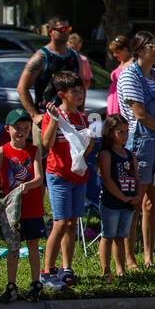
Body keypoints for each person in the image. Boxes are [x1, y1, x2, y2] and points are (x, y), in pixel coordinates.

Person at [116, 31, 155, 268]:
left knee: (152, 204)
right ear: (141, 49)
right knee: (135, 202)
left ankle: (148, 255)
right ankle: (129, 257)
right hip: (140, 144)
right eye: (153, 45)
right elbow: (140, 115)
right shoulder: (128, 75)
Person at [39, 71, 90, 288]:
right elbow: (47, 144)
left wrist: (87, 148)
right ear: (62, 94)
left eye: (81, 90)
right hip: (58, 174)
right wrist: (54, 120)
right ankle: (46, 270)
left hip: (78, 176)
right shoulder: (52, 116)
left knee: (71, 223)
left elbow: (87, 147)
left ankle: (66, 266)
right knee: (59, 222)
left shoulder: (82, 117)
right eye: (75, 92)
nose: (80, 95)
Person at [0, 108, 45, 303]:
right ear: (8, 129)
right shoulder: (2, 151)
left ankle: (35, 283)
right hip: (12, 210)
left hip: (32, 207)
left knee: (33, 245)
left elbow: (39, 178)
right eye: (17, 128)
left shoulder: (33, 150)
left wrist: (28, 185)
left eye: (25, 127)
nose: (21, 131)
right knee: (13, 247)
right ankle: (11, 285)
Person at [16, 16, 81, 131]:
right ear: (51, 31)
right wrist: (35, 116)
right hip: (46, 119)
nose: (65, 32)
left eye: (68, 28)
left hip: (71, 120)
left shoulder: (74, 56)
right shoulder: (41, 57)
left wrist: (81, 112)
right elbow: (22, 88)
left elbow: (81, 86)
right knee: (45, 149)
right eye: (61, 29)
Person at [96, 114, 138, 279]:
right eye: (120, 132)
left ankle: (121, 270)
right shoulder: (106, 154)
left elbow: (137, 177)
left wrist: (137, 195)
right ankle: (106, 270)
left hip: (128, 202)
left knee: (121, 237)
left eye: (126, 132)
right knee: (108, 235)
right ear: (110, 133)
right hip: (112, 202)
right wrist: (122, 196)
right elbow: (107, 179)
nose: (125, 136)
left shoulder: (130, 155)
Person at [105, 34, 132, 117]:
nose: (114, 55)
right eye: (113, 52)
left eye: (117, 52)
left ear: (125, 49)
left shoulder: (132, 63)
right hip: (113, 100)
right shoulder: (122, 62)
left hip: (122, 100)